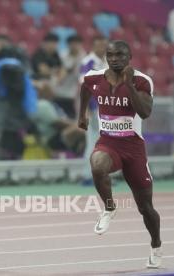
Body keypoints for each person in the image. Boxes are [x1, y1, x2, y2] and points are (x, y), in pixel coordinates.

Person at [78, 40, 162, 268]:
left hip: (133, 148)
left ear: (129, 56)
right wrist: (83, 115)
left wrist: (129, 86)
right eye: (110, 55)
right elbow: (85, 88)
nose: (114, 59)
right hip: (108, 143)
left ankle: (156, 245)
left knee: (146, 208)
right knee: (96, 165)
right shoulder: (94, 77)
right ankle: (109, 207)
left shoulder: (143, 81)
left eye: (119, 55)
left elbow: (144, 112)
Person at [80, 35, 109, 186]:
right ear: (92, 46)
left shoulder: (107, 61)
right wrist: (87, 108)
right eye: (99, 45)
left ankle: (102, 176)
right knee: (93, 142)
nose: (102, 48)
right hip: (94, 108)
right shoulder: (88, 62)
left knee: (105, 144)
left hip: (107, 107)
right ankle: (87, 176)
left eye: (104, 45)